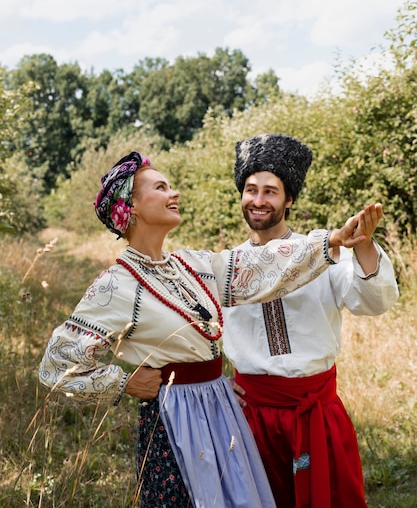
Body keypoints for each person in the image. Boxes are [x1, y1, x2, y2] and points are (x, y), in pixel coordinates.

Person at [39, 150, 371, 508]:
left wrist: (330, 241)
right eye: (161, 187)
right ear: (130, 207)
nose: (174, 193)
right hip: (174, 421)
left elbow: (258, 263)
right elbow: (56, 366)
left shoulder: (191, 264)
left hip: (220, 412)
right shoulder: (115, 286)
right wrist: (125, 382)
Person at [221, 133, 399, 508]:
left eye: (270, 191)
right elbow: (190, 333)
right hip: (251, 417)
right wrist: (215, 382)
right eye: (251, 189)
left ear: (289, 200)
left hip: (315, 411)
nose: (258, 200)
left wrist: (364, 244)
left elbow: (375, 301)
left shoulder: (326, 253)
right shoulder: (225, 266)